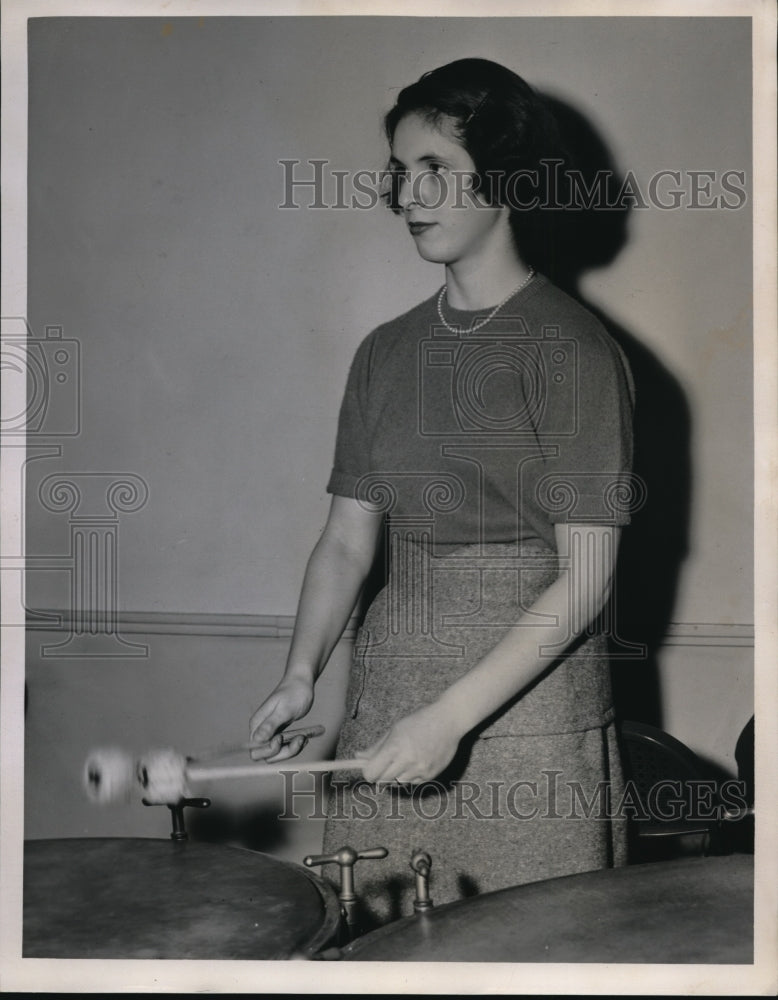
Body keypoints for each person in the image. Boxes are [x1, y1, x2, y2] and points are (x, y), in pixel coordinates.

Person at [249, 58, 635, 929]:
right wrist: (300, 673)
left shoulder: (571, 350)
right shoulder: (385, 352)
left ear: (505, 181)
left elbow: (587, 580)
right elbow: (348, 541)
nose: (409, 196)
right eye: (400, 172)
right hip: (392, 698)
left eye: (436, 171)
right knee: (381, 942)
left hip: (526, 710)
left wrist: (452, 720)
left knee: (532, 949)